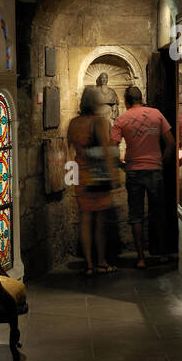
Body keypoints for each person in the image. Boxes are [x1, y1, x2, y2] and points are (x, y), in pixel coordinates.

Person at [110, 86, 174, 268]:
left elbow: (112, 147)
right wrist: (162, 162)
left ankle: (140, 258)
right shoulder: (156, 114)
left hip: (134, 170)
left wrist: (121, 165)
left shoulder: (122, 119)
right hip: (155, 169)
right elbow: (171, 143)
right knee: (159, 212)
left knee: (136, 214)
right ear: (142, 98)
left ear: (125, 101)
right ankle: (162, 254)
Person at [66, 86, 120, 276]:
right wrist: (113, 176)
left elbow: (69, 150)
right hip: (97, 175)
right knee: (100, 222)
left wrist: (70, 176)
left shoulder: (73, 123)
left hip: (80, 174)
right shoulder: (100, 122)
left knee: (85, 220)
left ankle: (89, 265)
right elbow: (106, 149)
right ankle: (102, 262)